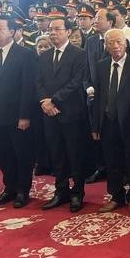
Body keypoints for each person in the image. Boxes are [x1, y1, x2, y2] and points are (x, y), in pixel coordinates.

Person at [0, 15, 38, 209]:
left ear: (12, 32)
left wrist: (25, 115)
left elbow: (28, 88)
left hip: (17, 116)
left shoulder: (25, 54)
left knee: (22, 155)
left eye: (0, 28)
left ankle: (23, 190)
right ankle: (9, 188)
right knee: (4, 155)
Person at [37, 17, 91, 212]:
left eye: (57, 29)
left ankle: (77, 193)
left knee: (74, 154)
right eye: (50, 30)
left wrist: (54, 100)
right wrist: (45, 101)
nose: (52, 33)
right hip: (49, 114)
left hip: (71, 112)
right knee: (56, 154)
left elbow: (76, 81)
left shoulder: (79, 54)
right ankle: (61, 191)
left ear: (68, 32)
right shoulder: (44, 55)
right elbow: (39, 82)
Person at [90, 29, 130, 215]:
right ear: (105, 46)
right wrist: (96, 125)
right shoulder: (101, 66)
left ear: (126, 44)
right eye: (111, 43)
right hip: (107, 121)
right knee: (112, 162)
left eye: (119, 42)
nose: (115, 46)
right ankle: (116, 196)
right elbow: (98, 98)